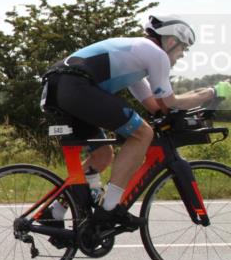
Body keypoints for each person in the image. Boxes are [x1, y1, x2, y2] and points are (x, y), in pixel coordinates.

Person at [41, 15, 230, 228]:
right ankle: (110, 208)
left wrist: (194, 101)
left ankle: (54, 213)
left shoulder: (135, 62)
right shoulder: (156, 54)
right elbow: (170, 102)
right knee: (143, 133)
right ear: (170, 42)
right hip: (76, 86)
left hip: (59, 87)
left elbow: (156, 106)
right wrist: (212, 92)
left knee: (102, 155)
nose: (181, 56)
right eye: (182, 49)